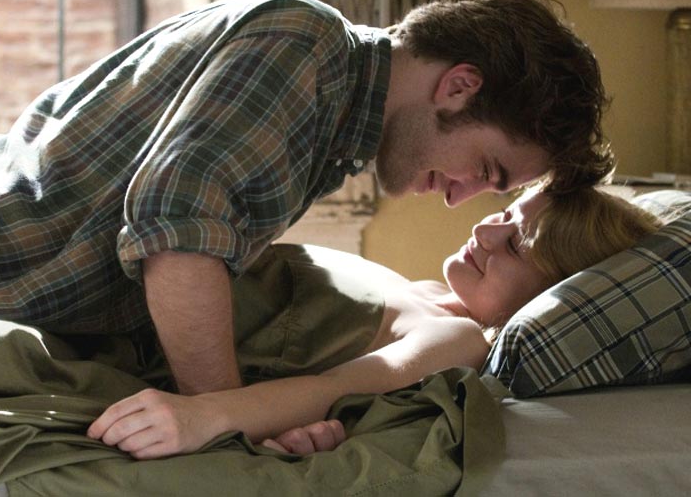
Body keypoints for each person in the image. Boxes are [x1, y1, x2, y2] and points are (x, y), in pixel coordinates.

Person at [0, 0, 613, 396]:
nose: (458, 198)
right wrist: (219, 422)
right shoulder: (306, 46)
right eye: (486, 169)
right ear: (458, 87)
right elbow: (177, 230)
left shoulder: (332, 127)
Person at [86, 185, 662, 459]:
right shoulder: (431, 295)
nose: (485, 231)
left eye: (516, 244)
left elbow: (331, 388)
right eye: (505, 212)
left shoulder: (457, 338)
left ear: (549, 292)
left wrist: (204, 416)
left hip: (124, 337)